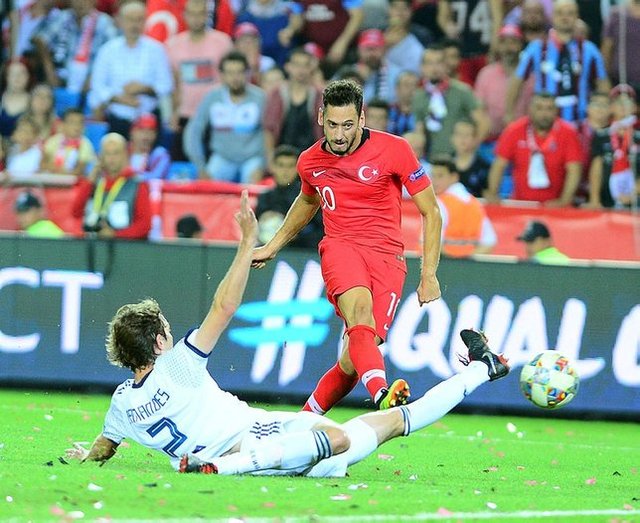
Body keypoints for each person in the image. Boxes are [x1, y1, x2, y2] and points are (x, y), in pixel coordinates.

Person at [64, 190, 510, 476]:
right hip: (254, 439)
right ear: (160, 343)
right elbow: (223, 307)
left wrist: (85, 456)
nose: (172, 332)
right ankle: (223, 466)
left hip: (275, 443)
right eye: (167, 328)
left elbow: (105, 447)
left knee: (374, 430)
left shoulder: (122, 402)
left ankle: (481, 370)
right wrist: (246, 244)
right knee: (347, 435)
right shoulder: (178, 365)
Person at [252, 80, 442, 414]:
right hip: (342, 247)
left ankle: (304, 420)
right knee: (360, 312)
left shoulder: (395, 150)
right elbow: (307, 201)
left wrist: (428, 275)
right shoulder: (310, 161)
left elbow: (432, 212)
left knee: (353, 360)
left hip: (388, 258)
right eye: (333, 124)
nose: (339, 135)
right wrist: (273, 245)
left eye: (348, 125)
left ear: (362, 119)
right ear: (321, 117)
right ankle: (382, 393)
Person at [505, 0, 610, 125]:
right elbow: (517, 80)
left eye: (570, 13)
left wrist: (602, 114)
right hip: (545, 124)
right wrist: (509, 114)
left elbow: (603, 84)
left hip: (580, 122)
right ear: (552, 16)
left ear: (577, 17)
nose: (565, 17)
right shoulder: (537, 48)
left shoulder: (589, 50)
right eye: (560, 13)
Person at [88, 1, 174, 137]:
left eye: (139, 20)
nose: (134, 25)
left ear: (145, 21)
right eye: (130, 19)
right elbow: (97, 86)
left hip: (148, 123)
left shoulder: (157, 50)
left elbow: (166, 85)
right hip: (116, 120)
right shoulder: (108, 50)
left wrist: (145, 89)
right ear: (120, 21)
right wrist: (119, 99)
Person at [485, 92, 582, 206]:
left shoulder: (568, 133)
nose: (544, 114)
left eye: (549, 109)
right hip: (520, 204)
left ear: (556, 111)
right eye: (539, 108)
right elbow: (499, 165)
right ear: (530, 109)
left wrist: (564, 201)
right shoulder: (514, 130)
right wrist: (493, 194)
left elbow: (574, 170)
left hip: (554, 206)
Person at [165, 0, 233, 161]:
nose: (196, 18)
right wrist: (171, 113)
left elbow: (230, 79)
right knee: (183, 166)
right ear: (184, 15)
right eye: (192, 14)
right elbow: (172, 84)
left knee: (215, 164)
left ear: (207, 15)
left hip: (216, 114)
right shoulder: (172, 45)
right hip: (185, 114)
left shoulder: (223, 42)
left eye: (201, 14)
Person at [183, 51, 266, 183]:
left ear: (248, 73)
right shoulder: (212, 98)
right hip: (222, 157)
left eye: (239, 72)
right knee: (207, 187)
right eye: (230, 73)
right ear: (221, 75)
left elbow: (269, 135)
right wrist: (200, 166)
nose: (235, 78)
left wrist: (264, 165)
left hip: (253, 158)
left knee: (253, 190)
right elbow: (194, 130)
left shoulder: (260, 98)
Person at [412, 44, 490, 156]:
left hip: (458, 158)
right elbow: (419, 131)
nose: (434, 68)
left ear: (446, 66)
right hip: (433, 158)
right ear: (422, 67)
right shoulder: (418, 96)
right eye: (429, 63)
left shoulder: (462, 91)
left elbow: (483, 123)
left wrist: (471, 149)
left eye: (439, 63)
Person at [70, 133, 151, 240]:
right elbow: (75, 212)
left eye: (116, 153)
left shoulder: (137, 184)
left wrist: (116, 235)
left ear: (125, 154)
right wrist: (90, 181)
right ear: (101, 157)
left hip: (124, 245)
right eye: (107, 153)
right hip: (93, 244)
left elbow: (144, 225)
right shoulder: (94, 183)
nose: (111, 158)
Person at [256, 144, 323, 247]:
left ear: (297, 168)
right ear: (273, 167)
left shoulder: (309, 196)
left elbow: (321, 232)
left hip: (301, 252)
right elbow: (256, 232)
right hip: (270, 251)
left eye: (290, 166)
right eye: (281, 165)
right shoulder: (265, 198)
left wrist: (296, 235)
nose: (285, 171)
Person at [430, 154, 496, 258]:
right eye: (432, 175)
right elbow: (489, 241)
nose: (434, 181)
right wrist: (466, 260)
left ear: (454, 177)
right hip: (467, 264)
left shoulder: (438, 203)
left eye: (440, 176)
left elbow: (431, 243)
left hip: (442, 263)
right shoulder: (475, 204)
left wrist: (452, 260)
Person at [588, 84, 640, 209]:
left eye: (627, 102)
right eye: (618, 102)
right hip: (607, 202)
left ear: (634, 107)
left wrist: (633, 193)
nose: (622, 106)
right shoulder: (601, 134)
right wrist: (594, 200)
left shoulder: (638, 134)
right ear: (611, 107)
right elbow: (596, 167)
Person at [41, 107, 96, 176]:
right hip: (51, 178)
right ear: (63, 124)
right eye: (72, 122)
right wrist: (53, 168)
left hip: (73, 181)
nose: (77, 126)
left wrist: (63, 173)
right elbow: (43, 163)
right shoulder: (53, 141)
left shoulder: (86, 144)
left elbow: (80, 170)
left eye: (80, 123)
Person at [128, 113, 171, 181]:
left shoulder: (159, 155)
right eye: (142, 130)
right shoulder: (122, 150)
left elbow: (156, 178)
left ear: (155, 135)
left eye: (150, 131)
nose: (146, 136)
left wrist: (131, 176)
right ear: (132, 132)